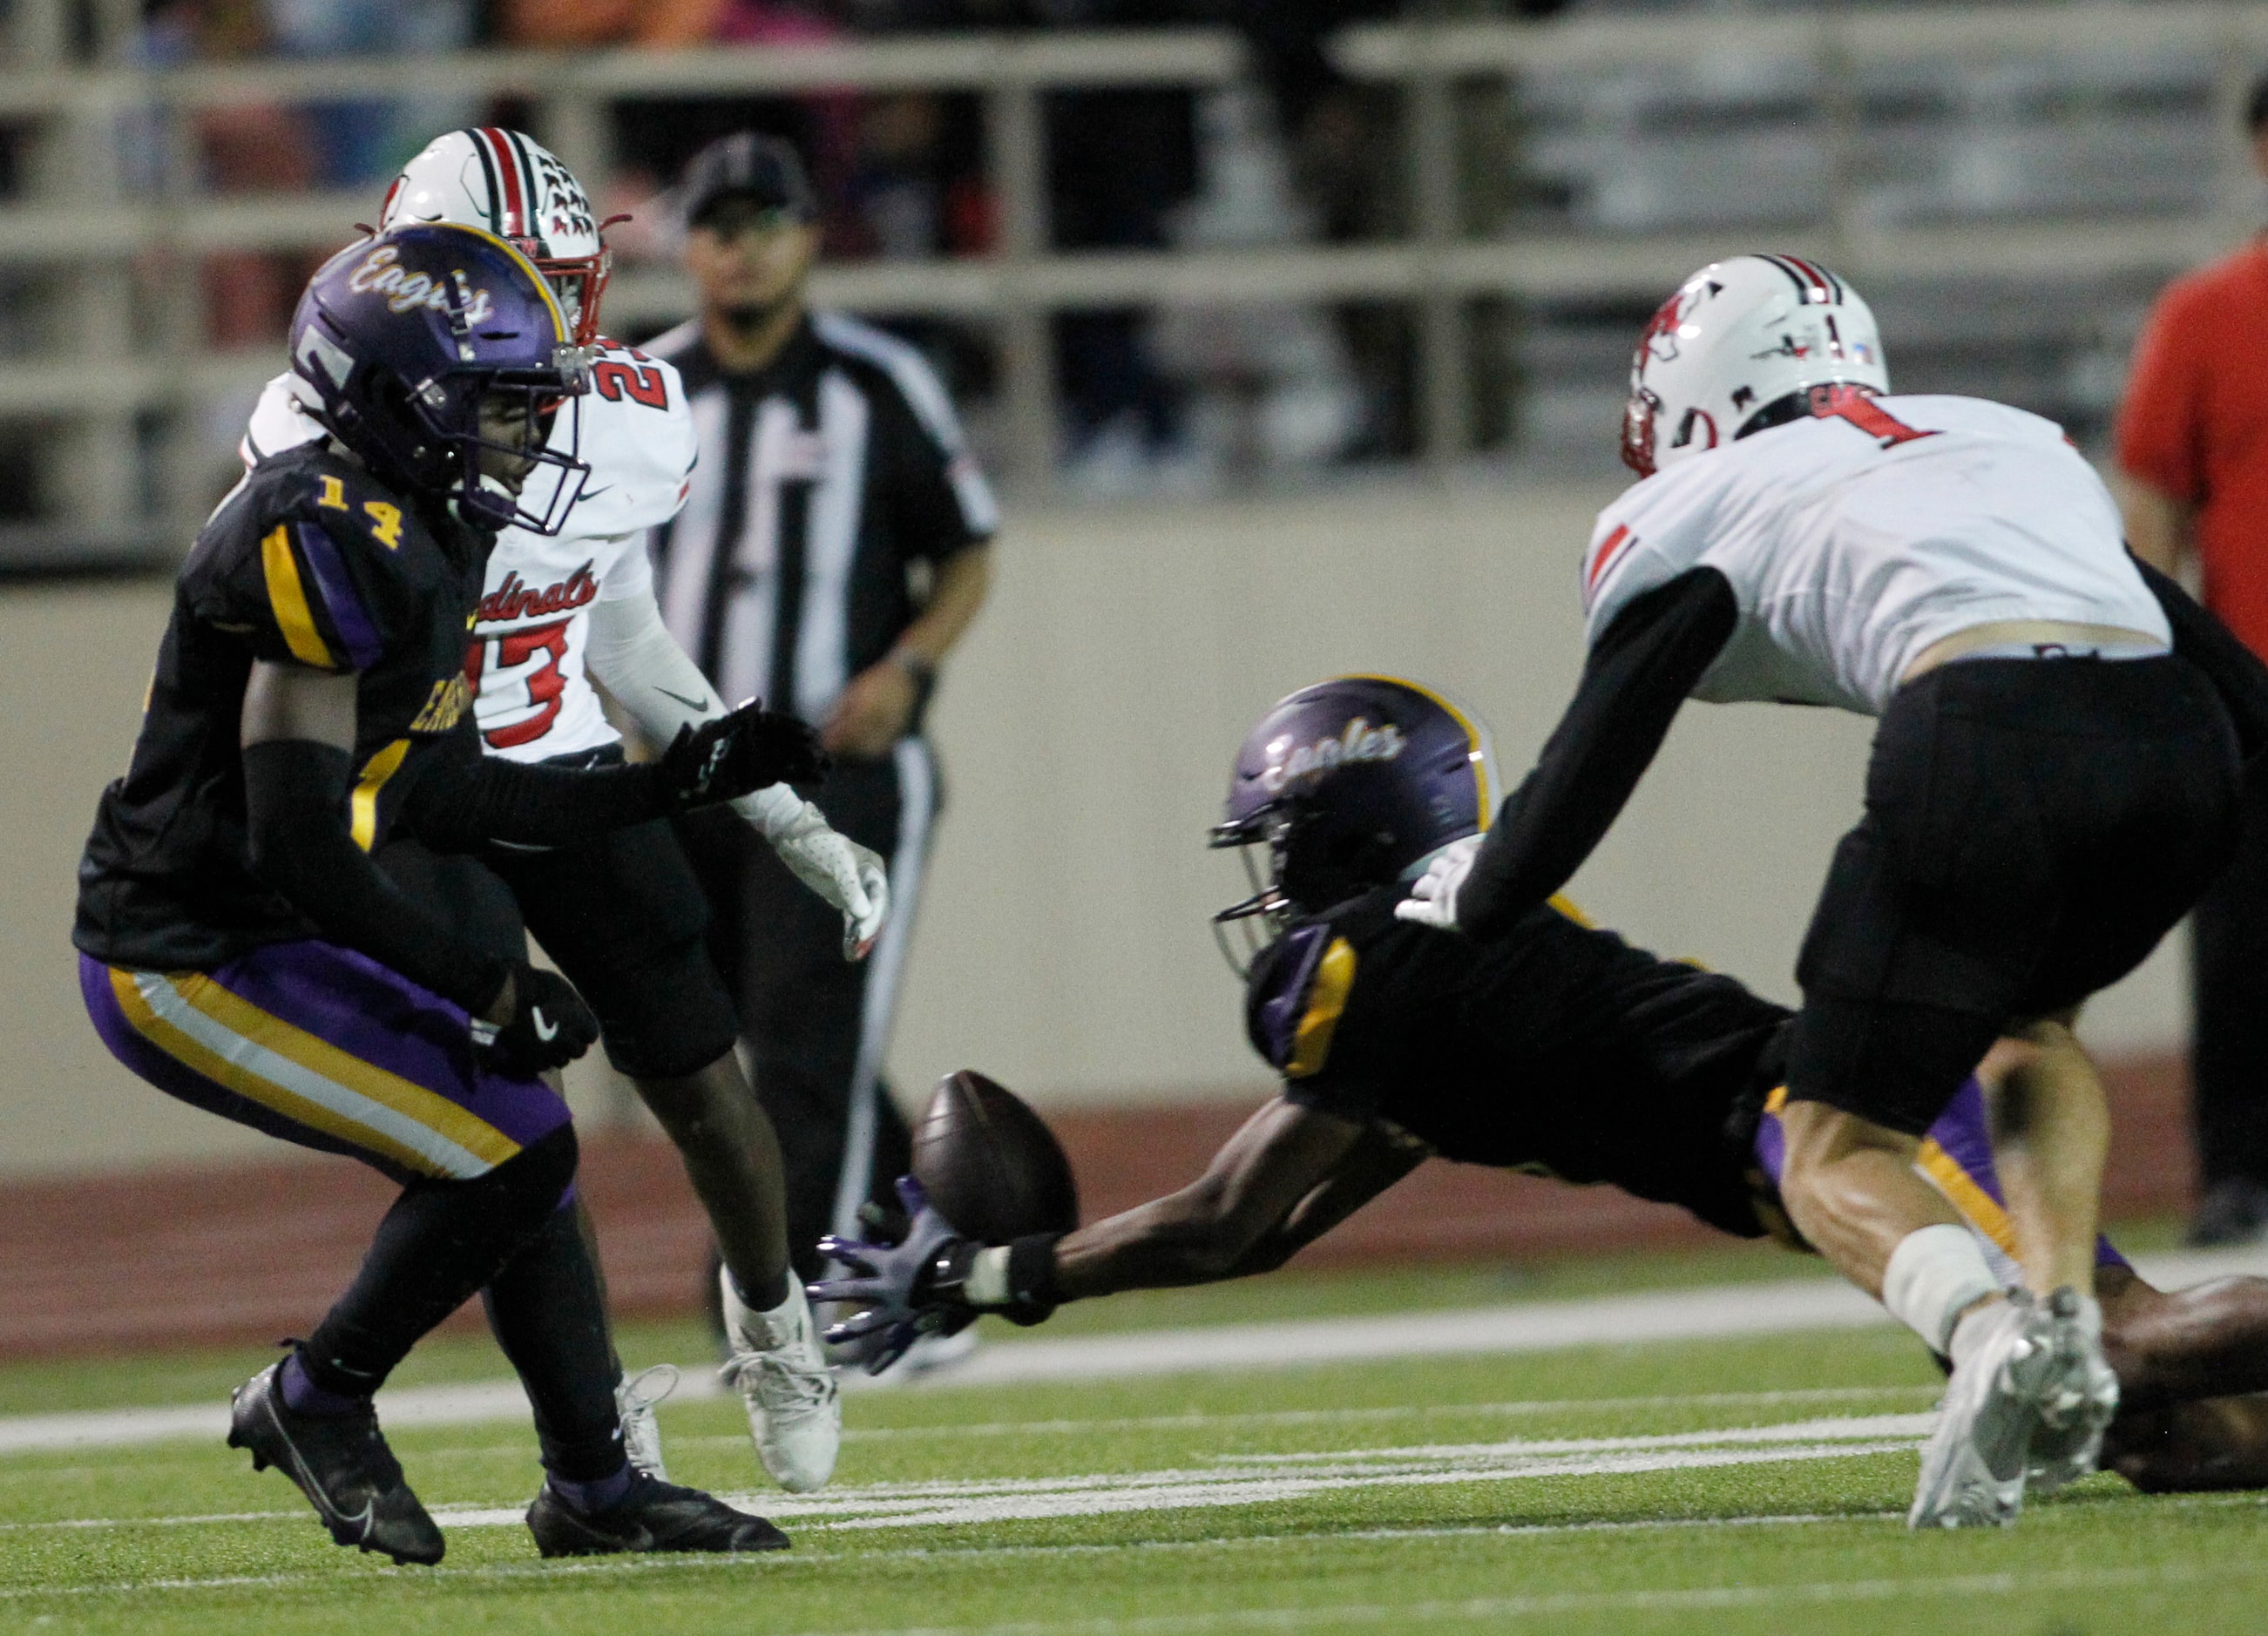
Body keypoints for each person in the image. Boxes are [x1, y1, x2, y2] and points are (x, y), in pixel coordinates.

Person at [816, 677, 2268, 1497]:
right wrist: (1001, 1275)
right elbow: (1236, 1223)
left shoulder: (1373, 978)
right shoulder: (1433, 985)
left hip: (1851, 1135)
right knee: (2172, 1440)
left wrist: (996, 1273)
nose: (1270, 886)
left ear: (1346, 830)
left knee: (2124, 1355)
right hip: (1828, 1151)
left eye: (1283, 843)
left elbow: (1236, 1214)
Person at [1375, 256, 2265, 1528]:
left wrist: (1481, 891)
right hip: (2175, 744)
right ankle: (2064, 1317)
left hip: (1984, 724)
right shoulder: (2001, 434)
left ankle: (1987, 1334)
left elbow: (1601, 743)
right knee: (2031, 1020)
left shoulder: (1702, 499)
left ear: (1696, 389)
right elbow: (2228, 676)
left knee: (1830, 1139)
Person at [76, 223, 811, 1563]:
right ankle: (320, 1394)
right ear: (399, 397)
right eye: (500, 405)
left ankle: (592, 1488)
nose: (525, 439)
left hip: (279, 930)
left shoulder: (420, 525)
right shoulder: (317, 529)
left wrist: (679, 776)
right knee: (516, 1143)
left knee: (515, 1142)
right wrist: (486, 978)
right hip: (187, 955)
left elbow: (453, 789)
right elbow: (305, 841)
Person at [242, 126, 886, 1495]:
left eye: (569, 276)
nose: (559, 311)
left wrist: (782, 816)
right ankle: (592, 1402)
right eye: (521, 276)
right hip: (424, 790)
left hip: (570, 765)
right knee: (521, 1105)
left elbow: (621, 621)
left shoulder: (639, 411)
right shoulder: (319, 420)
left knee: (705, 1077)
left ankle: (776, 1323)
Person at [641, 133, 999, 1312]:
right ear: (689, 244)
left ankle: (782, 1306)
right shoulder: (640, 392)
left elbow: (965, 548)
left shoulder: (875, 381)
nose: (740, 250)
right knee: (752, 1045)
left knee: (804, 1048)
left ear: (807, 237)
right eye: (718, 226)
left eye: (763, 224)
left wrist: (905, 665)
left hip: (834, 772)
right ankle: (935, 1260)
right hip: (683, 781)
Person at [2115, 73, 2268, 1247]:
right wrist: (2166, 666)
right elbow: (2158, 504)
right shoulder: (2210, 315)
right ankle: (2238, 1172)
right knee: (2244, 940)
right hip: (2252, 683)